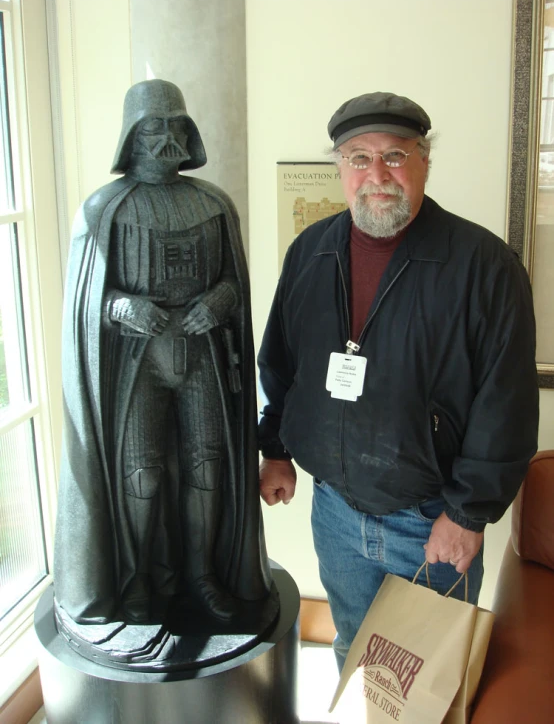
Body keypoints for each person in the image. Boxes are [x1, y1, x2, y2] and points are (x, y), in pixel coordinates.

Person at [257, 91, 539, 667]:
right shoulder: (310, 252)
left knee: (428, 672)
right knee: (354, 651)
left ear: (425, 162)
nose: (376, 175)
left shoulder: (484, 267)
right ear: (339, 166)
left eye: (395, 156)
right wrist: (277, 449)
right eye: (359, 158)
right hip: (334, 510)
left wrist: (466, 516)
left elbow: (505, 406)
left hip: (431, 520)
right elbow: (284, 364)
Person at [54, 79, 271, 628]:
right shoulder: (104, 209)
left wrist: (219, 300)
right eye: (155, 127)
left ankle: (202, 575)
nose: (167, 139)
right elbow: (84, 301)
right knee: (141, 474)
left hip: (201, 356)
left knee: (208, 467)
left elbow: (233, 281)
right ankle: (137, 581)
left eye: (177, 126)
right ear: (131, 134)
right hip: (136, 366)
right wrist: (121, 309)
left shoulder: (213, 203)